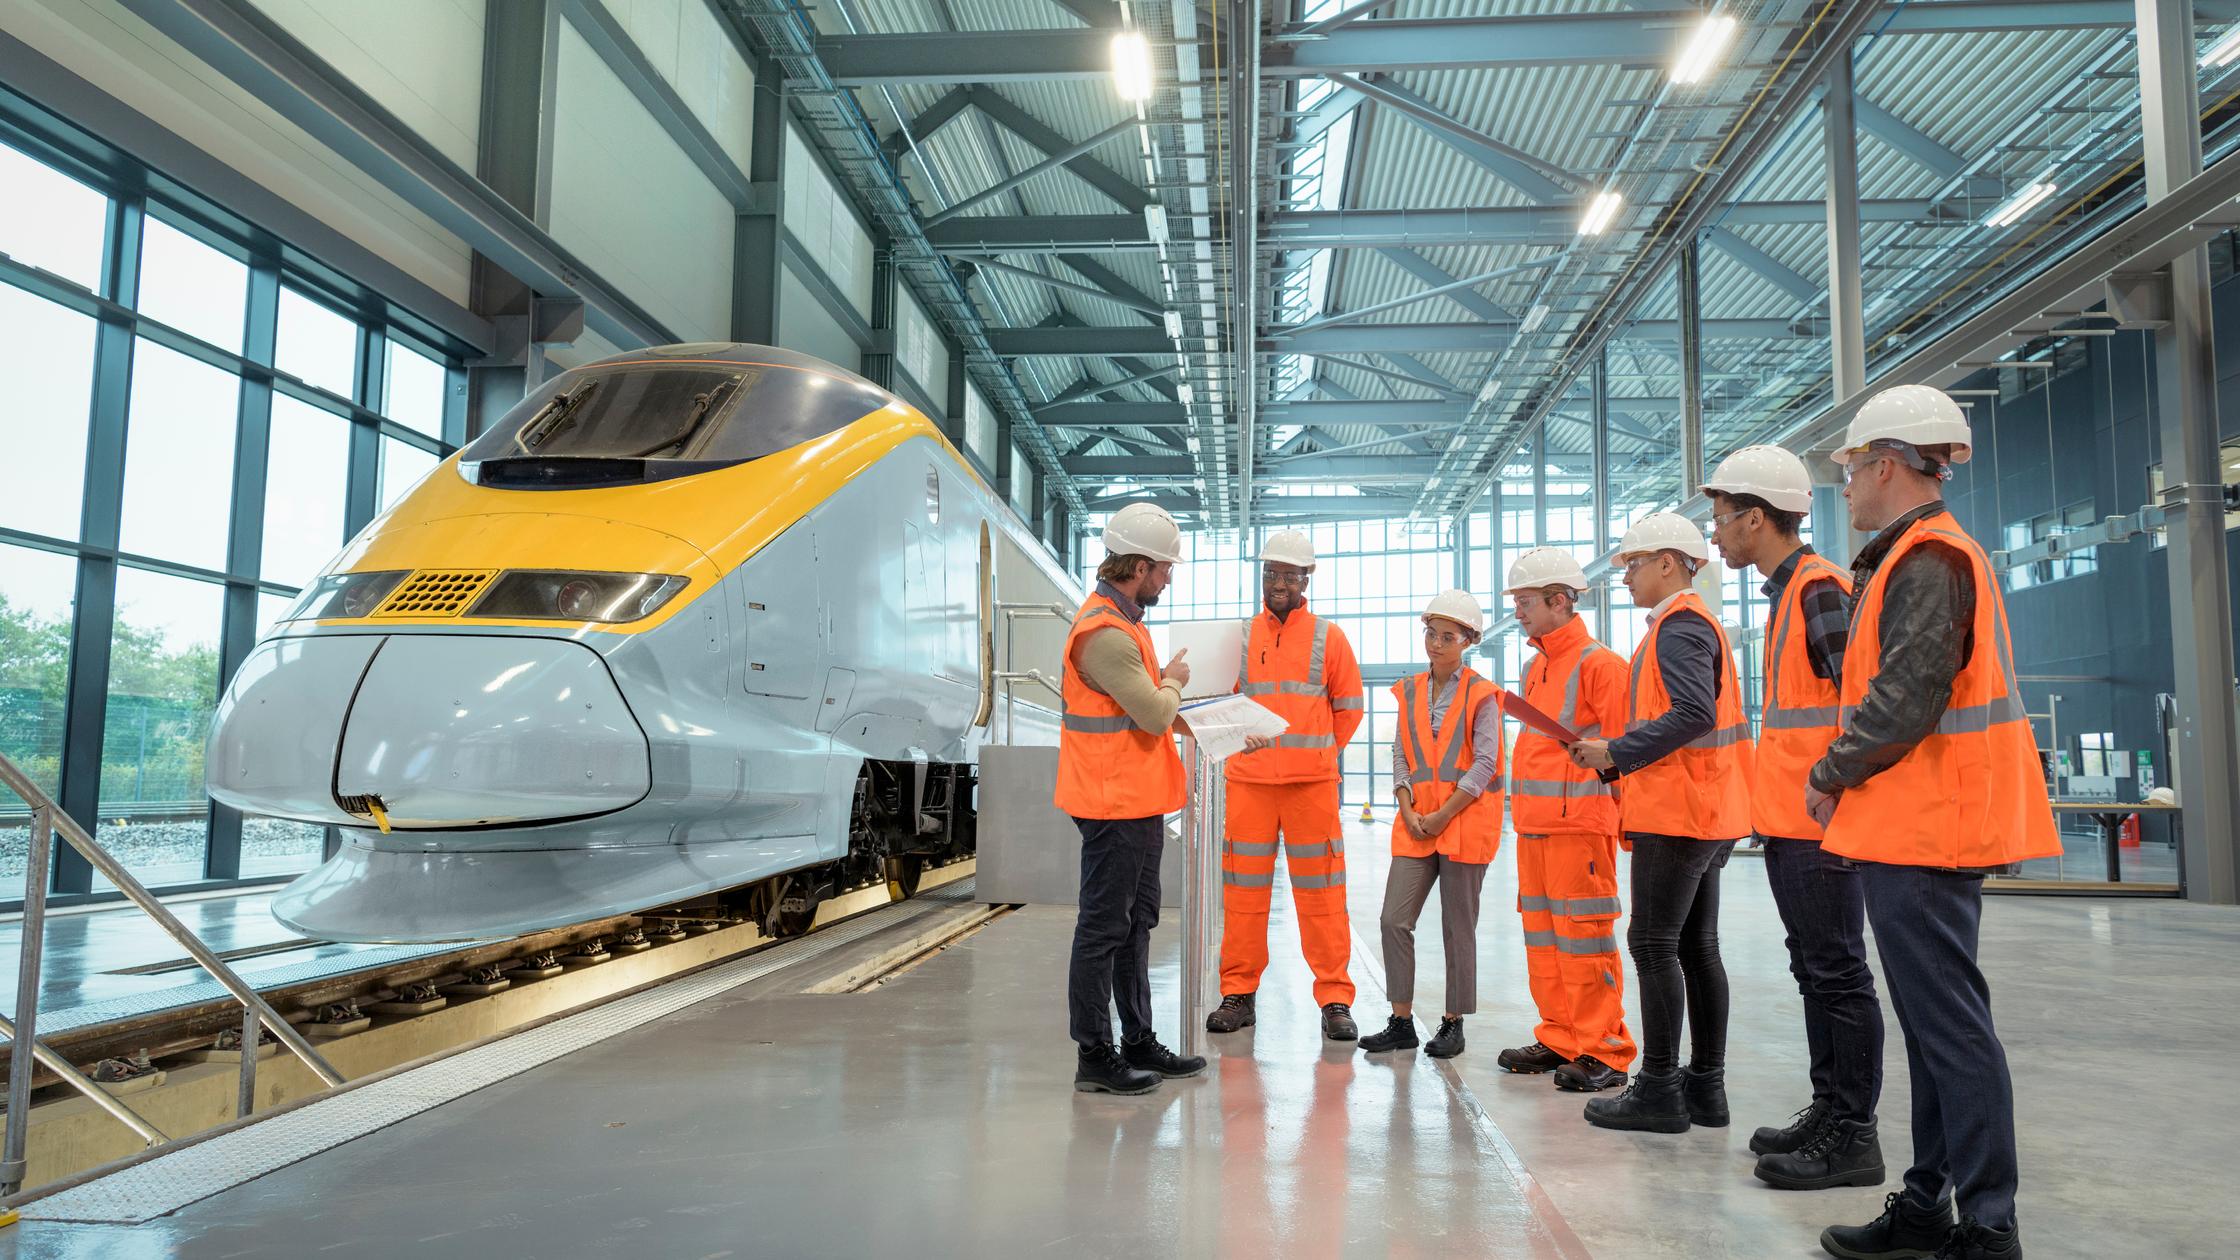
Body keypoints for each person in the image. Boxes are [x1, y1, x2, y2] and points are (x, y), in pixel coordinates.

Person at [1810, 386, 2057, 1260]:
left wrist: (1829, 771)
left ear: (1884, 462)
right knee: (1934, 1027)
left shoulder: (1932, 560)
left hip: (1928, 828)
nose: (1844, 485)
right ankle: (1927, 1204)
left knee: (1950, 1029)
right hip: (1911, 828)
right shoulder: (1916, 555)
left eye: (1848, 468)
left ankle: (1988, 1227)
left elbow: (1907, 697)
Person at [1703, 446, 1888, 1192]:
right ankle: (1829, 1110)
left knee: (1838, 973)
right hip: (1790, 824)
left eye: (1721, 520)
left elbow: (1864, 699)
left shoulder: (1816, 590)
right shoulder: (1788, 595)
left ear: (1756, 518)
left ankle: (1854, 1133)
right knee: (1815, 972)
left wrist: (1831, 786)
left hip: (1822, 826)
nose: (1716, 536)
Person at [1569, 513, 1753, 1134]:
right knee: (1697, 947)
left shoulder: (1678, 628)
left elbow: (1693, 713)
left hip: (1679, 813)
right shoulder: (1693, 626)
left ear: (1670, 563)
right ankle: (1705, 1088)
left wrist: (1617, 751)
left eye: (1633, 564)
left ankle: (1659, 1090)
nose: (1624, 576)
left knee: (1653, 945)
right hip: (1707, 807)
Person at [1057, 501, 1208, 1094]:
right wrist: (1174, 679)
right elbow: (1151, 711)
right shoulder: (1105, 635)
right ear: (1138, 566)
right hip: (1110, 803)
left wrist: (1214, 724)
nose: (1168, 578)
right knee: (1102, 928)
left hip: (1136, 802)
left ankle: (1137, 1039)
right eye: (1165, 568)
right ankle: (1094, 1053)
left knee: (1137, 922)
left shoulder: (1127, 626)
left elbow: (1153, 715)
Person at [1205, 530, 1367, 1042]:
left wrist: (1316, 753)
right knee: (1243, 893)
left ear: (1306, 579)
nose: (1278, 582)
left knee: (1322, 895)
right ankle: (1238, 994)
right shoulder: (1240, 636)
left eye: (1289, 575)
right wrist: (1236, 740)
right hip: (1250, 784)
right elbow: (1217, 705)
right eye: (1271, 573)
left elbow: (1350, 708)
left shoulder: (1328, 637)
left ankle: (1335, 997)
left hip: (1311, 788)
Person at [1493, 547, 1637, 1094]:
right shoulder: (1537, 665)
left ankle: (1605, 1048)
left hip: (1580, 826)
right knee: (1544, 940)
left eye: (1526, 602)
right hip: (1534, 826)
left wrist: (1626, 822)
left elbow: (1625, 750)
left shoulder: (1601, 665)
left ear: (1559, 600)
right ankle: (1561, 1036)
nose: (1519, 611)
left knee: (1585, 940)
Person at [1359, 589, 1504, 1060]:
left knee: (1457, 928)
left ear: (1468, 641)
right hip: (1417, 822)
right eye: (1431, 633)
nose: (1436, 643)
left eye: (1447, 636)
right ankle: (1401, 1021)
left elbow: (1485, 763)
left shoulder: (1482, 695)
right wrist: (1405, 806)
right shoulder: (1409, 691)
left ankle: (1452, 1023)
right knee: (1393, 920)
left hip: (1461, 822)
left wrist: (1444, 813)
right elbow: (1401, 753)